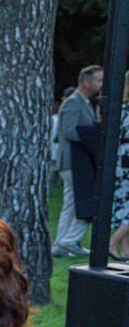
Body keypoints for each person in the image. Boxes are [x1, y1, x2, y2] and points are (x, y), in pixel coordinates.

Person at [55, 65, 103, 258]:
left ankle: (60, 244)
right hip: (72, 161)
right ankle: (70, 239)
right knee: (83, 201)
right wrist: (92, 134)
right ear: (86, 82)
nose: (101, 84)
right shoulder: (73, 103)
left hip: (75, 161)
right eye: (99, 80)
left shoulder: (83, 102)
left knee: (70, 204)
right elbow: (69, 131)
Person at [112, 77, 129, 261]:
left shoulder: (121, 109)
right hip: (126, 157)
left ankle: (125, 250)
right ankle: (112, 242)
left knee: (125, 202)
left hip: (121, 156)